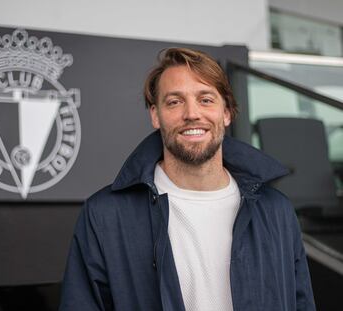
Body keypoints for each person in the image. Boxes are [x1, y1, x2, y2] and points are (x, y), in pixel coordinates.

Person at [59, 47, 316, 311]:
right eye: (174, 101)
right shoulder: (106, 215)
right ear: (155, 116)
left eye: (205, 99)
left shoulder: (276, 210)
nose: (192, 113)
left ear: (226, 113)